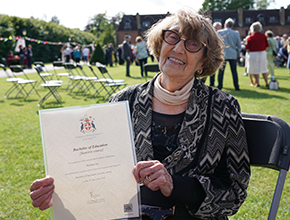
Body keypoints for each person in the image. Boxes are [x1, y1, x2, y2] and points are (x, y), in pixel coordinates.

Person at [30, 7, 250, 219]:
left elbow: (235, 192)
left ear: (203, 61)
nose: (178, 49)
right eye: (172, 37)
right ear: (159, 43)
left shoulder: (223, 108)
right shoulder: (122, 101)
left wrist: (174, 185)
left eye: (192, 44)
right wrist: (65, 193)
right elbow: (98, 173)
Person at [217, 18, 241, 91]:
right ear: (232, 26)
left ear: (225, 25)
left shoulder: (219, 32)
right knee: (234, 71)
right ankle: (236, 86)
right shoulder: (236, 33)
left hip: (223, 53)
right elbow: (239, 45)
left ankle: (220, 86)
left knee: (221, 71)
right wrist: (237, 53)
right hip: (233, 54)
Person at [245, 21, 269, 87]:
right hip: (262, 53)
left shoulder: (250, 37)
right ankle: (266, 82)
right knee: (264, 68)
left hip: (253, 53)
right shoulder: (263, 36)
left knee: (255, 69)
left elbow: (247, 48)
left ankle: (257, 83)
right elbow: (267, 46)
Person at [209, 21, 222, 87]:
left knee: (215, 69)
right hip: (210, 53)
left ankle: (213, 83)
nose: (217, 29)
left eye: (218, 28)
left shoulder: (221, 34)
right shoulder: (210, 34)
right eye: (216, 28)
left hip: (217, 54)